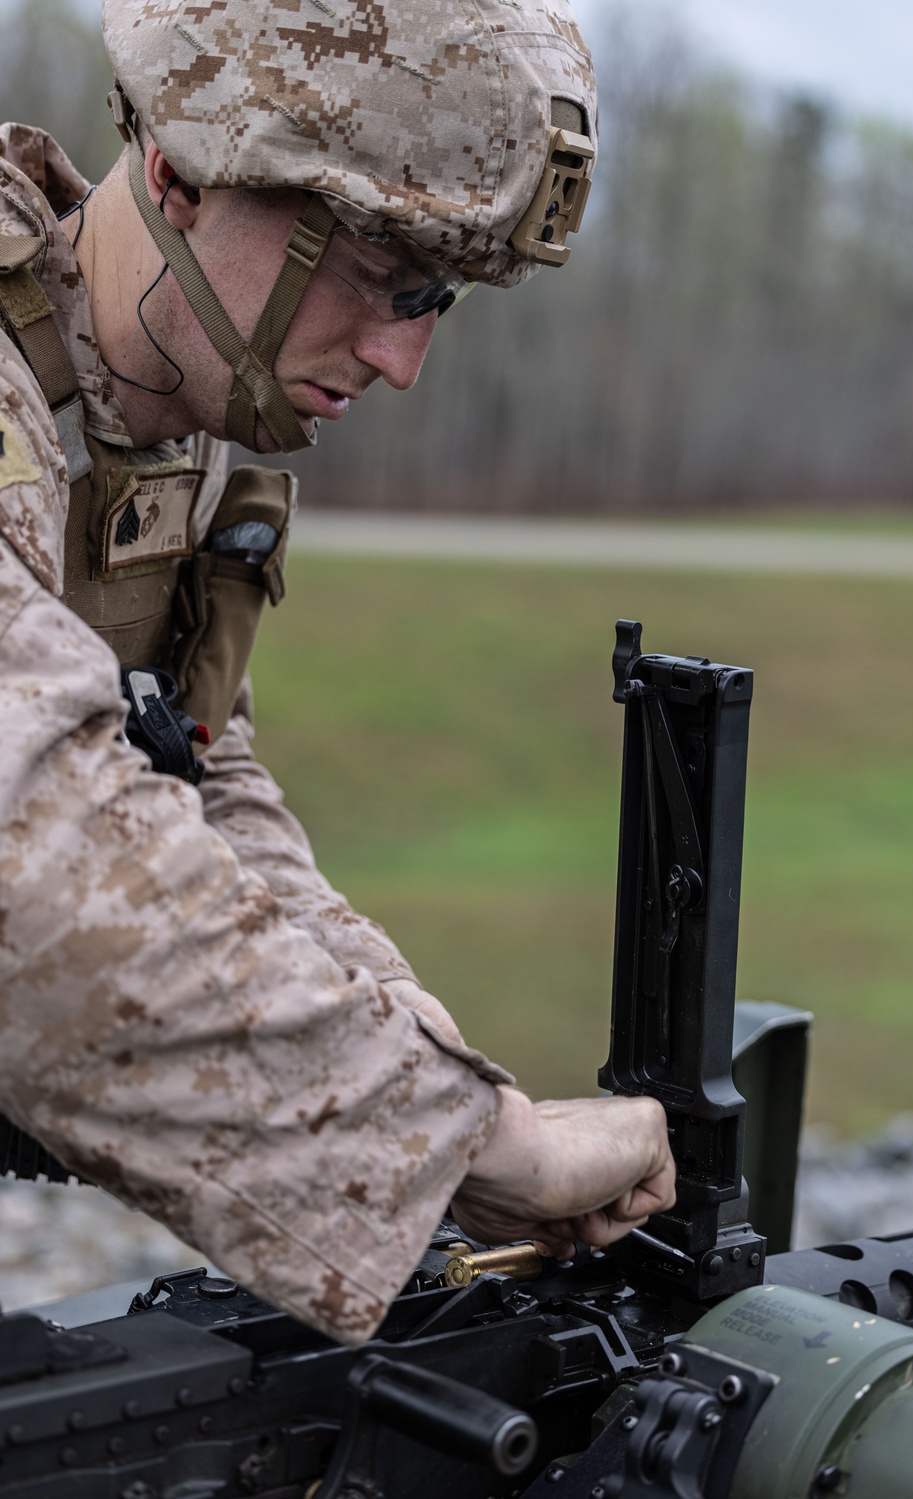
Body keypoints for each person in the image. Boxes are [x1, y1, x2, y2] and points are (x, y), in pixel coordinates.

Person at [0, 0, 675, 1346]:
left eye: (440, 302)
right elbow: (31, 847)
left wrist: (416, 1052)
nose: (404, 361)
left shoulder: (163, 431)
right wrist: (458, 1138)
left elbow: (186, 782)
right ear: (187, 177)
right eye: (379, 273)